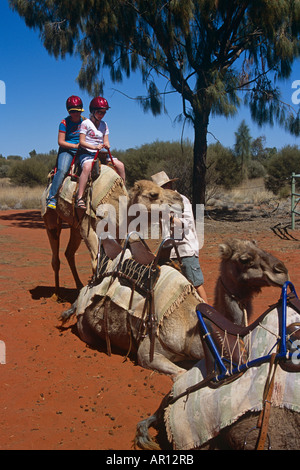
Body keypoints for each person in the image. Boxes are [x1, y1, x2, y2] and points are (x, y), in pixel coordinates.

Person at [151, 171, 208, 303]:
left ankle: (208, 316)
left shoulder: (181, 200)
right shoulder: (160, 204)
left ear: (170, 185)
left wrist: (170, 218)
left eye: (163, 187)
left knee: (195, 283)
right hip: (168, 251)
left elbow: (186, 224)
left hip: (185, 249)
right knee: (165, 283)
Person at [76, 96, 125, 209]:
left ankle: (123, 192)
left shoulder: (104, 124)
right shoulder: (85, 123)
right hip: (87, 152)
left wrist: (106, 144)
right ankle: (79, 197)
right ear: (92, 111)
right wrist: (94, 146)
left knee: (120, 166)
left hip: (101, 152)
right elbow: (82, 142)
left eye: (104, 112)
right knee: (87, 167)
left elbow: (106, 140)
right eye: (99, 112)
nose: (102, 114)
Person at [47, 95, 85, 210]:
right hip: (67, 150)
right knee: (62, 170)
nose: (76, 114)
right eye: (73, 111)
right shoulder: (64, 123)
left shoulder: (85, 121)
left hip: (82, 149)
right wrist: (74, 146)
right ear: (69, 111)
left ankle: (83, 198)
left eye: (78, 111)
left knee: (91, 169)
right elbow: (60, 142)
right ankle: (51, 198)